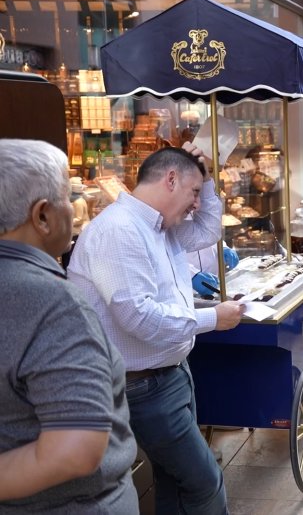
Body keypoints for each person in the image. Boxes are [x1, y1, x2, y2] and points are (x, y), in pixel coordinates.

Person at [67, 143, 245, 514]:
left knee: (174, 481)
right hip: (142, 387)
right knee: (203, 481)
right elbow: (139, 317)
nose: (197, 203)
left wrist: (206, 180)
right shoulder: (118, 230)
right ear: (170, 179)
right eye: (193, 192)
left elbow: (209, 229)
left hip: (170, 376)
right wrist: (214, 318)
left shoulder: (161, 227)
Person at [0, 140, 138, 512]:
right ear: (42, 216)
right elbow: (74, 450)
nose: (74, 211)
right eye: (67, 196)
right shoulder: (51, 304)